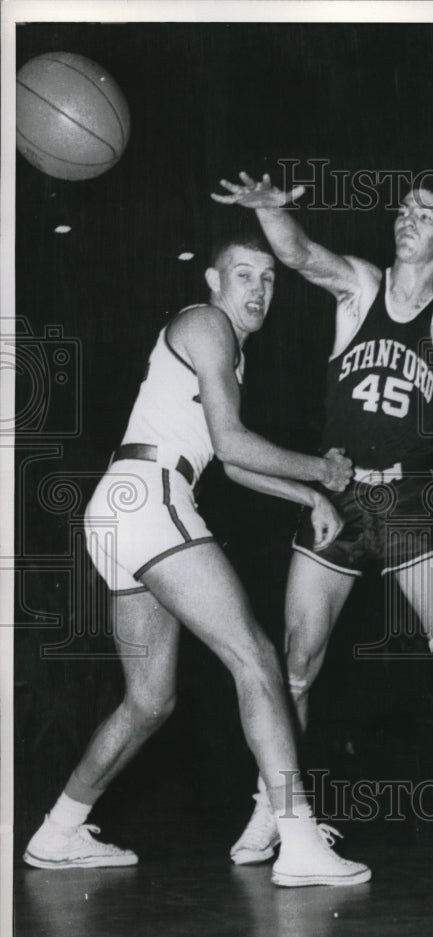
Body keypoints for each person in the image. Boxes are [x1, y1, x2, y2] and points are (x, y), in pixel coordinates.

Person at [214, 172, 433, 867]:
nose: (409, 217)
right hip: (338, 494)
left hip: (406, 499)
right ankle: (270, 808)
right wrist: (272, 213)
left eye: (426, 212)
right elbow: (301, 254)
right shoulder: (362, 287)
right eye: (404, 207)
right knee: (297, 666)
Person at [23, 227, 371, 887]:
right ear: (213, 282)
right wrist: (322, 471)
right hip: (149, 496)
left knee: (150, 700)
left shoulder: (228, 352)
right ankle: (296, 841)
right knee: (257, 659)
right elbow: (234, 444)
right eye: (244, 274)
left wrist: (304, 493)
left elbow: (229, 463)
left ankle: (58, 831)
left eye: (269, 279)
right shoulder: (207, 325)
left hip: (124, 506)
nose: (258, 290)